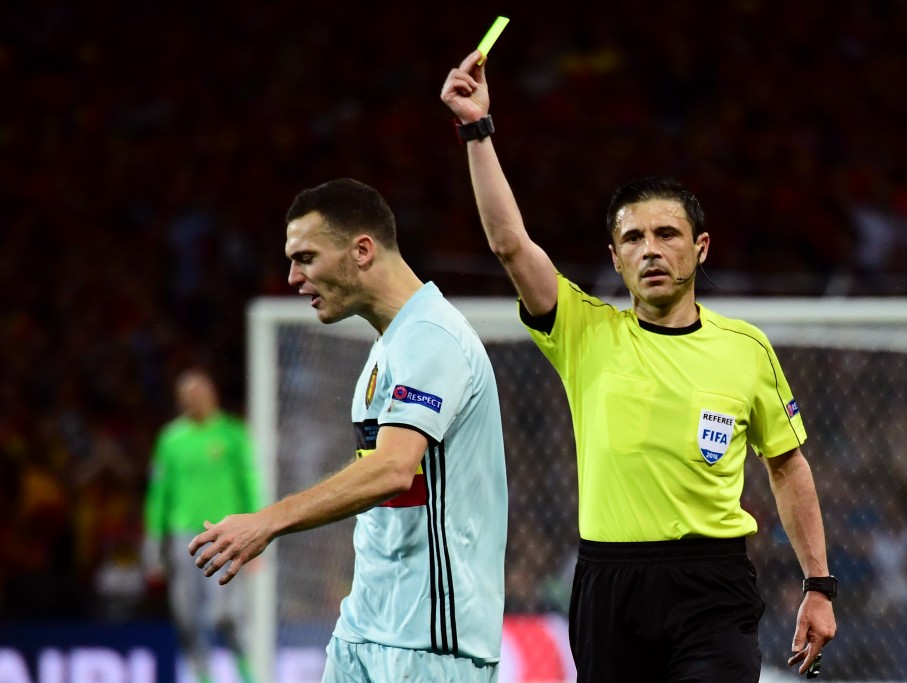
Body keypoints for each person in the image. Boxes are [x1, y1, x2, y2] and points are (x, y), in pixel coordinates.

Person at [441, 50, 837, 681]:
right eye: (633, 239)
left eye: (667, 234)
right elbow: (509, 242)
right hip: (610, 584)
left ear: (700, 248)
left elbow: (788, 465)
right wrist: (475, 129)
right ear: (616, 258)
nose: (651, 249)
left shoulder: (746, 347)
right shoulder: (584, 331)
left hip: (714, 584)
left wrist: (820, 583)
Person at [188, 178, 508, 683]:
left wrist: (269, 520)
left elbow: (393, 470)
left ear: (362, 250)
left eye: (306, 257)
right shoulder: (388, 345)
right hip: (366, 627)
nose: (293, 277)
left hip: (428, 641)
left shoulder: (433, 339)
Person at [143, 368, 261, 683]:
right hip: (183, 536)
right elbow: (158, 494)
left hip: (224, 534)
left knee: (225, 615)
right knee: (186, 615)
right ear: (180, 401)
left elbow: (249, 485)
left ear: (213, 396)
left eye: (200, 394)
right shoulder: (171, 440)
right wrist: (153, 544)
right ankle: (202, 675)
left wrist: (258, 535)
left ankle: (247, 672)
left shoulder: (233, 434)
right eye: (188, 396)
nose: (194, 401)